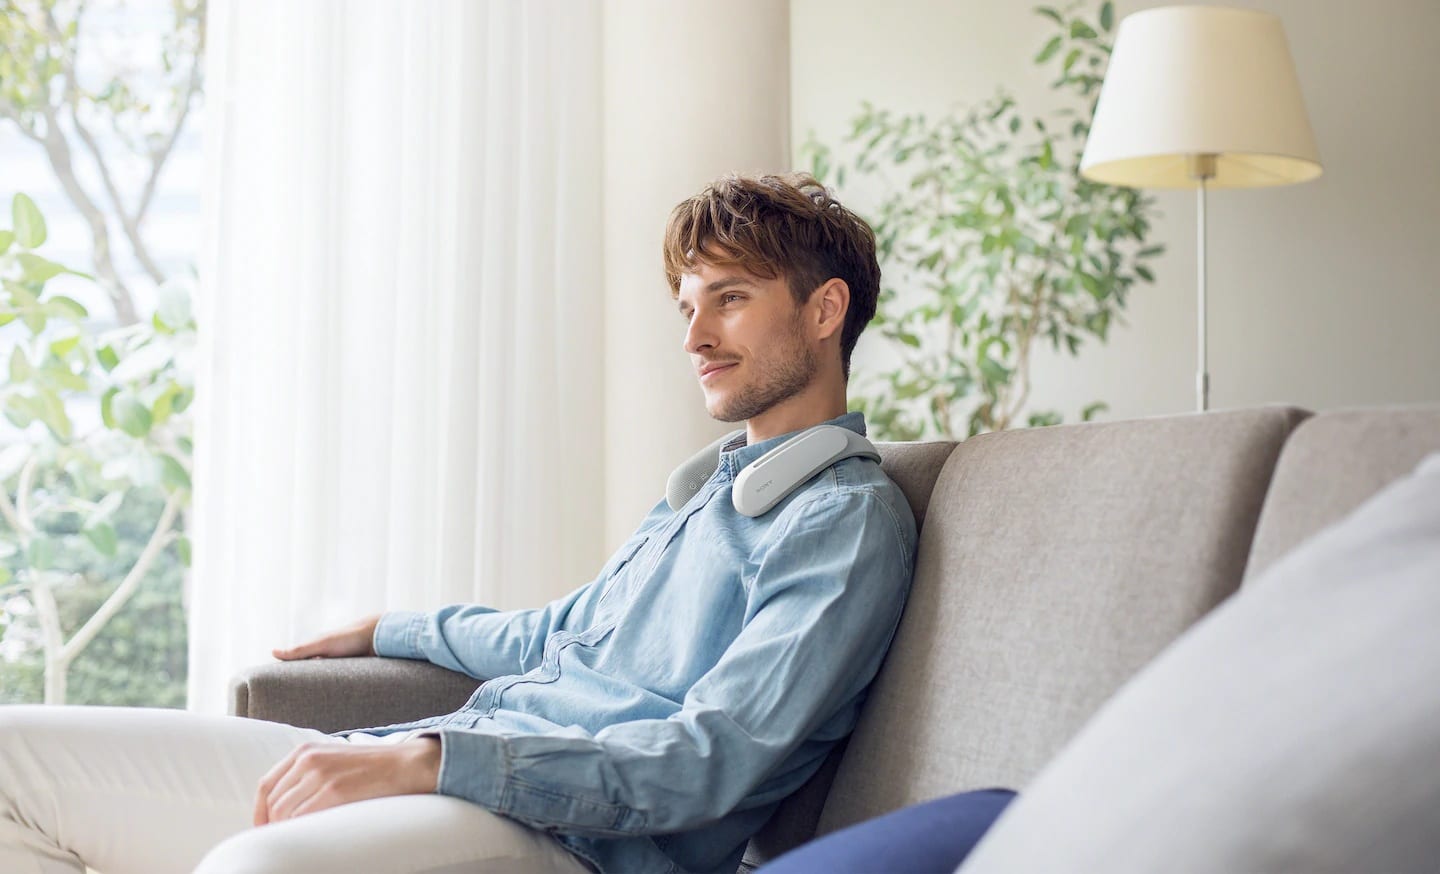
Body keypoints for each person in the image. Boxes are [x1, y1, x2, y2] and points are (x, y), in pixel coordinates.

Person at [0, 172, 918, 874]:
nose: (694, 338)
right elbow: (558, 634)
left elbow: (706, 762)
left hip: (569, 842)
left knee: (261, 864)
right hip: (464, 782)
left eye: (730, 298)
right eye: (688, 306)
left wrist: (433, 761)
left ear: (825, 309)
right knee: (12, 760)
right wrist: (391, 628)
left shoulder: (841, 524)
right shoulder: (705, 494)